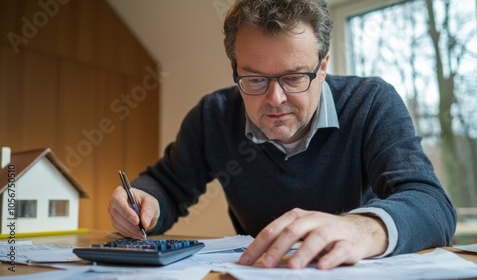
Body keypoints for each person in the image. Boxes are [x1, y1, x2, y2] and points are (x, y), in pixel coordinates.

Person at [108, 0, 456, 270]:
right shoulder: (213, 116)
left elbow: (431, 203)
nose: (275, 100)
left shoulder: (370, 103)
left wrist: (363, 229)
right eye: (255, 79)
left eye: (293, 78)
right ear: (235, 71)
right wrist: (144, 202)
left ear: (322, 67)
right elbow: (167, 186)